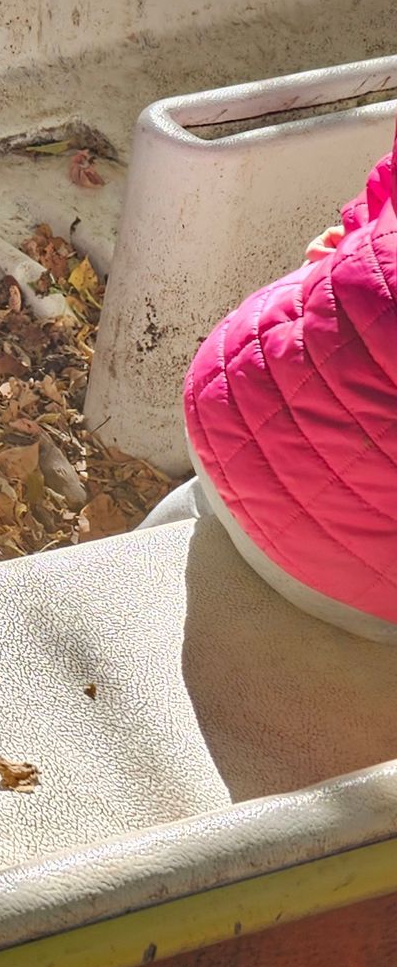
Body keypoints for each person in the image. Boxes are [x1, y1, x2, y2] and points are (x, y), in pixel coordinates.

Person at [142, 125, 397, 642]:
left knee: (207, 506)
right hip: (357, 570)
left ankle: (120, 573)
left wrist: (353, 241)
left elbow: (384, 191)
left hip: (237, 407)